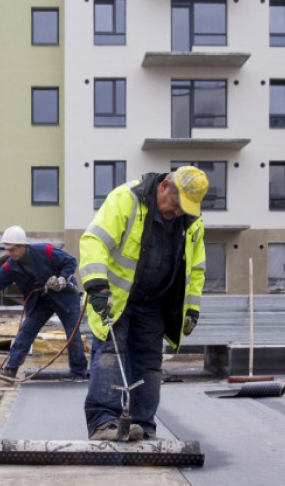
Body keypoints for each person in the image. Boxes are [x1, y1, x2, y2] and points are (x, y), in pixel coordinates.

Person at [80, 166, 209, 441]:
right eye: (176, 206)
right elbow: (94, 241)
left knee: (150, 363)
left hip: (155, 303)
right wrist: (96, 286)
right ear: (165, 187)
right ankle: (104, 422)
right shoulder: (126, 198)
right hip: (116, 297)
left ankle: (142, 425)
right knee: (111, 354)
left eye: (184, 209)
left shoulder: (191, 222)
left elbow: (196, 269)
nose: (177, 213)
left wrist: (192, 308)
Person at [0, 225, 88, 379]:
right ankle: (11, 369)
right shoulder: (11, 266)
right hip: (40, 301)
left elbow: (70, 262)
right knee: (25, 331)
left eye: (12, 250)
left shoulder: (46, 251)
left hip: (65, 297)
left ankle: (79, 372)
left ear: (22, 246)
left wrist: (62, 279)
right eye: (6, 249)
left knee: (73, 334)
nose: (8, 253)